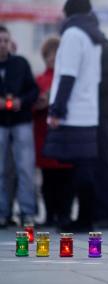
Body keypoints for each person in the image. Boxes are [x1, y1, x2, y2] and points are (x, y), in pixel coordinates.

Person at [43, 0, 104, 231]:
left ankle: (78, 220)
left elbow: (67, 75)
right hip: (89, 111)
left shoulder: (72, 35)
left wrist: (57, 109)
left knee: (73, 169)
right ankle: (85, 217)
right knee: (85, 168)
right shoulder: (93, 37)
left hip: (73, 112)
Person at [0, 25, 39, 228]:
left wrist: (20, 102)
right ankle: (2, 212)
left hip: (21, 121)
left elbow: (33, 90)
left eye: (5, 40)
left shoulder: (21, 63)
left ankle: (27, 212)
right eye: (0, 41)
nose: (3, 45)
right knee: (1, 169)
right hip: (1, 124)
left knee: (25, 168)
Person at [33, 36, 73, 228]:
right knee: (48, 180)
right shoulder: (38, 80)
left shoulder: (67, 79)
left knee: (66, 180)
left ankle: (64, 214)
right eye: (48, 54)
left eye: (55, 54)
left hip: (64, 135)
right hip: (44, 134)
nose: (52, 57)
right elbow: (30, 105)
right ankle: (50, 215)